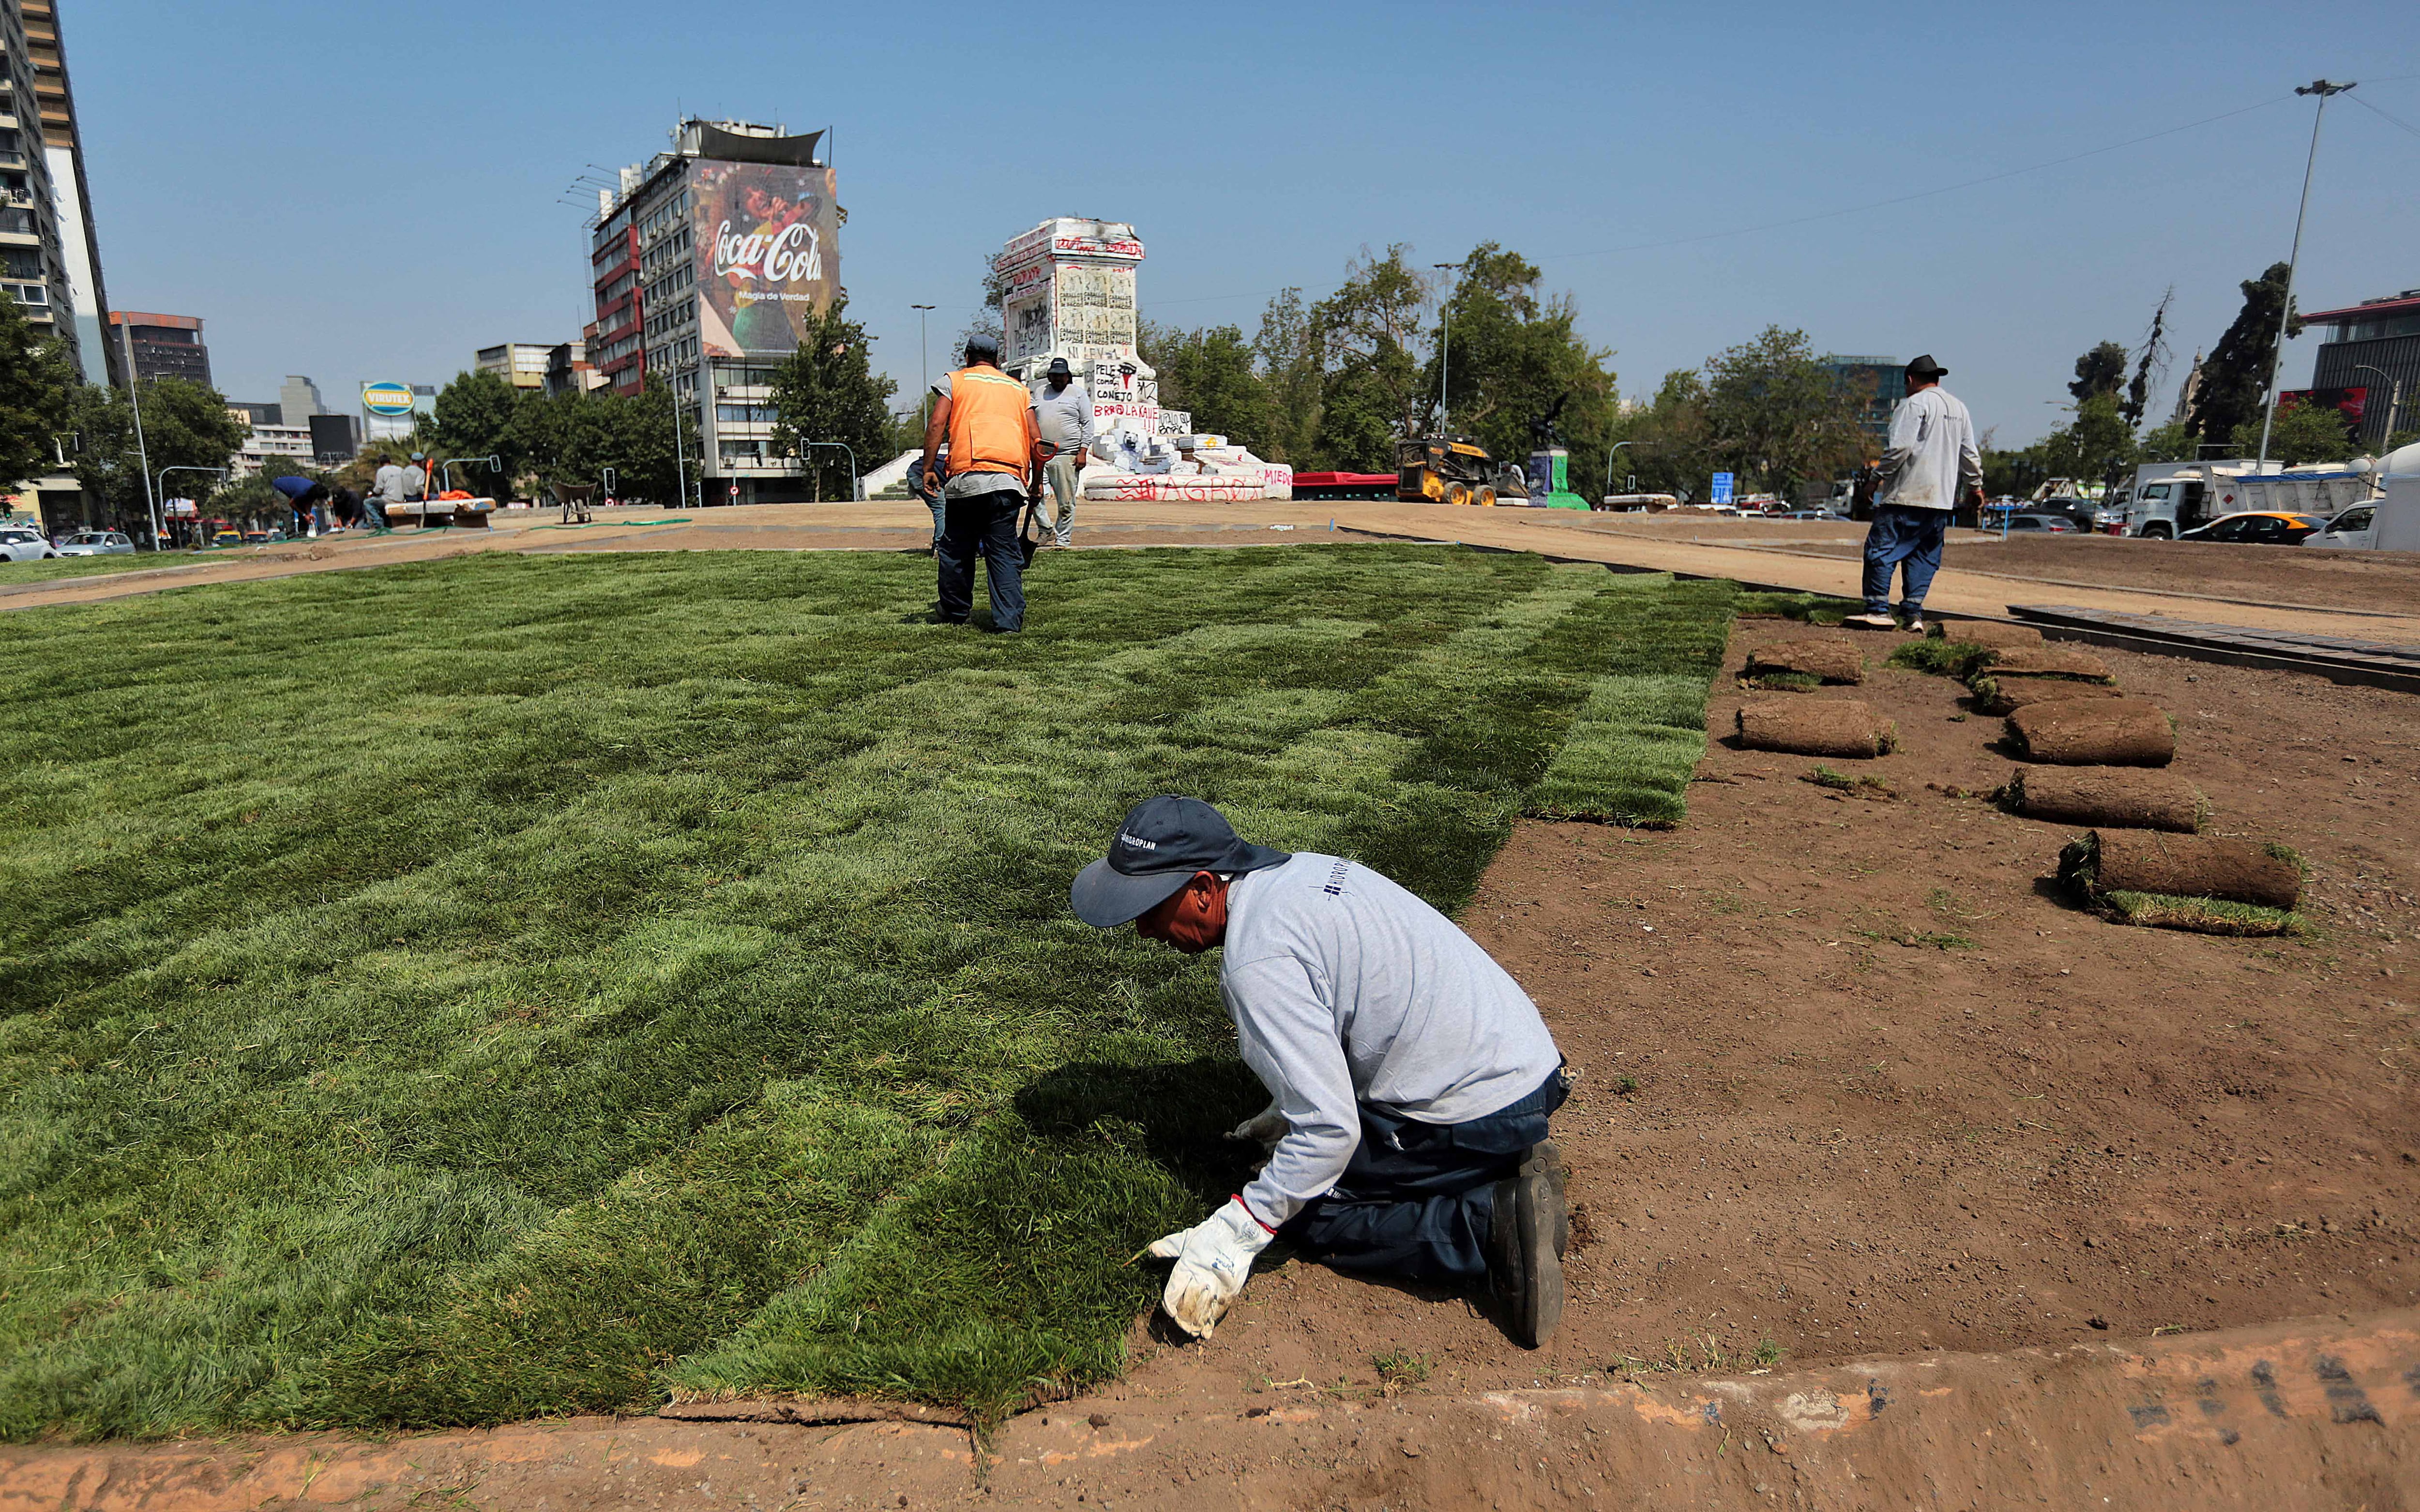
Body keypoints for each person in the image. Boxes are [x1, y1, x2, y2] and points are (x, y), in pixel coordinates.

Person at [1070, 796, 1571, 1348]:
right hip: (1525, 1063)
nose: (1143, 930)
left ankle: (1488, 1224)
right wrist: (1290, 1105)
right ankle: (1500, 1158)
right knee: (1306, 1162)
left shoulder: (1256, 963)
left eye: (1149, 907)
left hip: (1485, 1103)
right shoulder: (1298, 872)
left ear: (1205, 888)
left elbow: (1331, 1131)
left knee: (1308, 1211)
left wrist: (1242, 1228)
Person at [1846, 355, 1983, 633]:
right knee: (1923, 557)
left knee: (1881, 550)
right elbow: (1969, 454)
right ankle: (1913, 615)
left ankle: (1878, 610)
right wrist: (1976, 486)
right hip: (1940, 501)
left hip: (1906, 495)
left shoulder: (1913, 405)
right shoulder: (1960, 409)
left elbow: (1900, 448)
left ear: (1909, 380)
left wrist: (1875, 479)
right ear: (1937, 378)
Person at [921, 333, 1041, 631]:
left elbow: (937, 423)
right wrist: (1037, 483)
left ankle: (955, 611)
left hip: (966, 479)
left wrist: (927, 467)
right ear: (997, 359)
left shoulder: (955, 381)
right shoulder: (1020, 390)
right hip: (1008, 481)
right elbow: (1037, 441)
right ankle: (1009, 620)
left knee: (956, 550)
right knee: (1004, 553)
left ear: (967, 357)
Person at [1030, 356, 1091, 549]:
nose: (1058, 379)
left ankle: (1063, 539)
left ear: (1068, 376)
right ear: (1049, 376)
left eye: (1062, 376)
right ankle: (1046, 529)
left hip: (1067, 455)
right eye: (1055, 376)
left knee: (1065, 501)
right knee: (1033, 495)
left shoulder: (1078, 394)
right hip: (1041, 454)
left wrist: (1082, 452)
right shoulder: (1040, 392)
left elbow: (1088, 424)